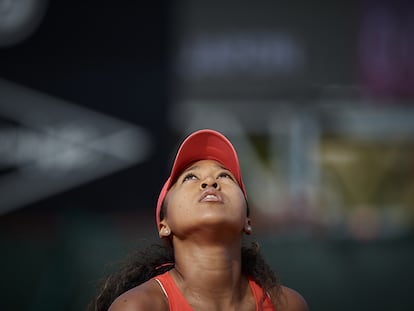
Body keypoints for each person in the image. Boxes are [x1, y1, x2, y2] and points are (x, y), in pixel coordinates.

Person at [88, 129, 309, 311]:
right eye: (190, 177)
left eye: (225, 176)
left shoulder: (287, 305)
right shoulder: (140, 306)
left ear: (247, 221)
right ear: (164, 225)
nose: (210, 182)